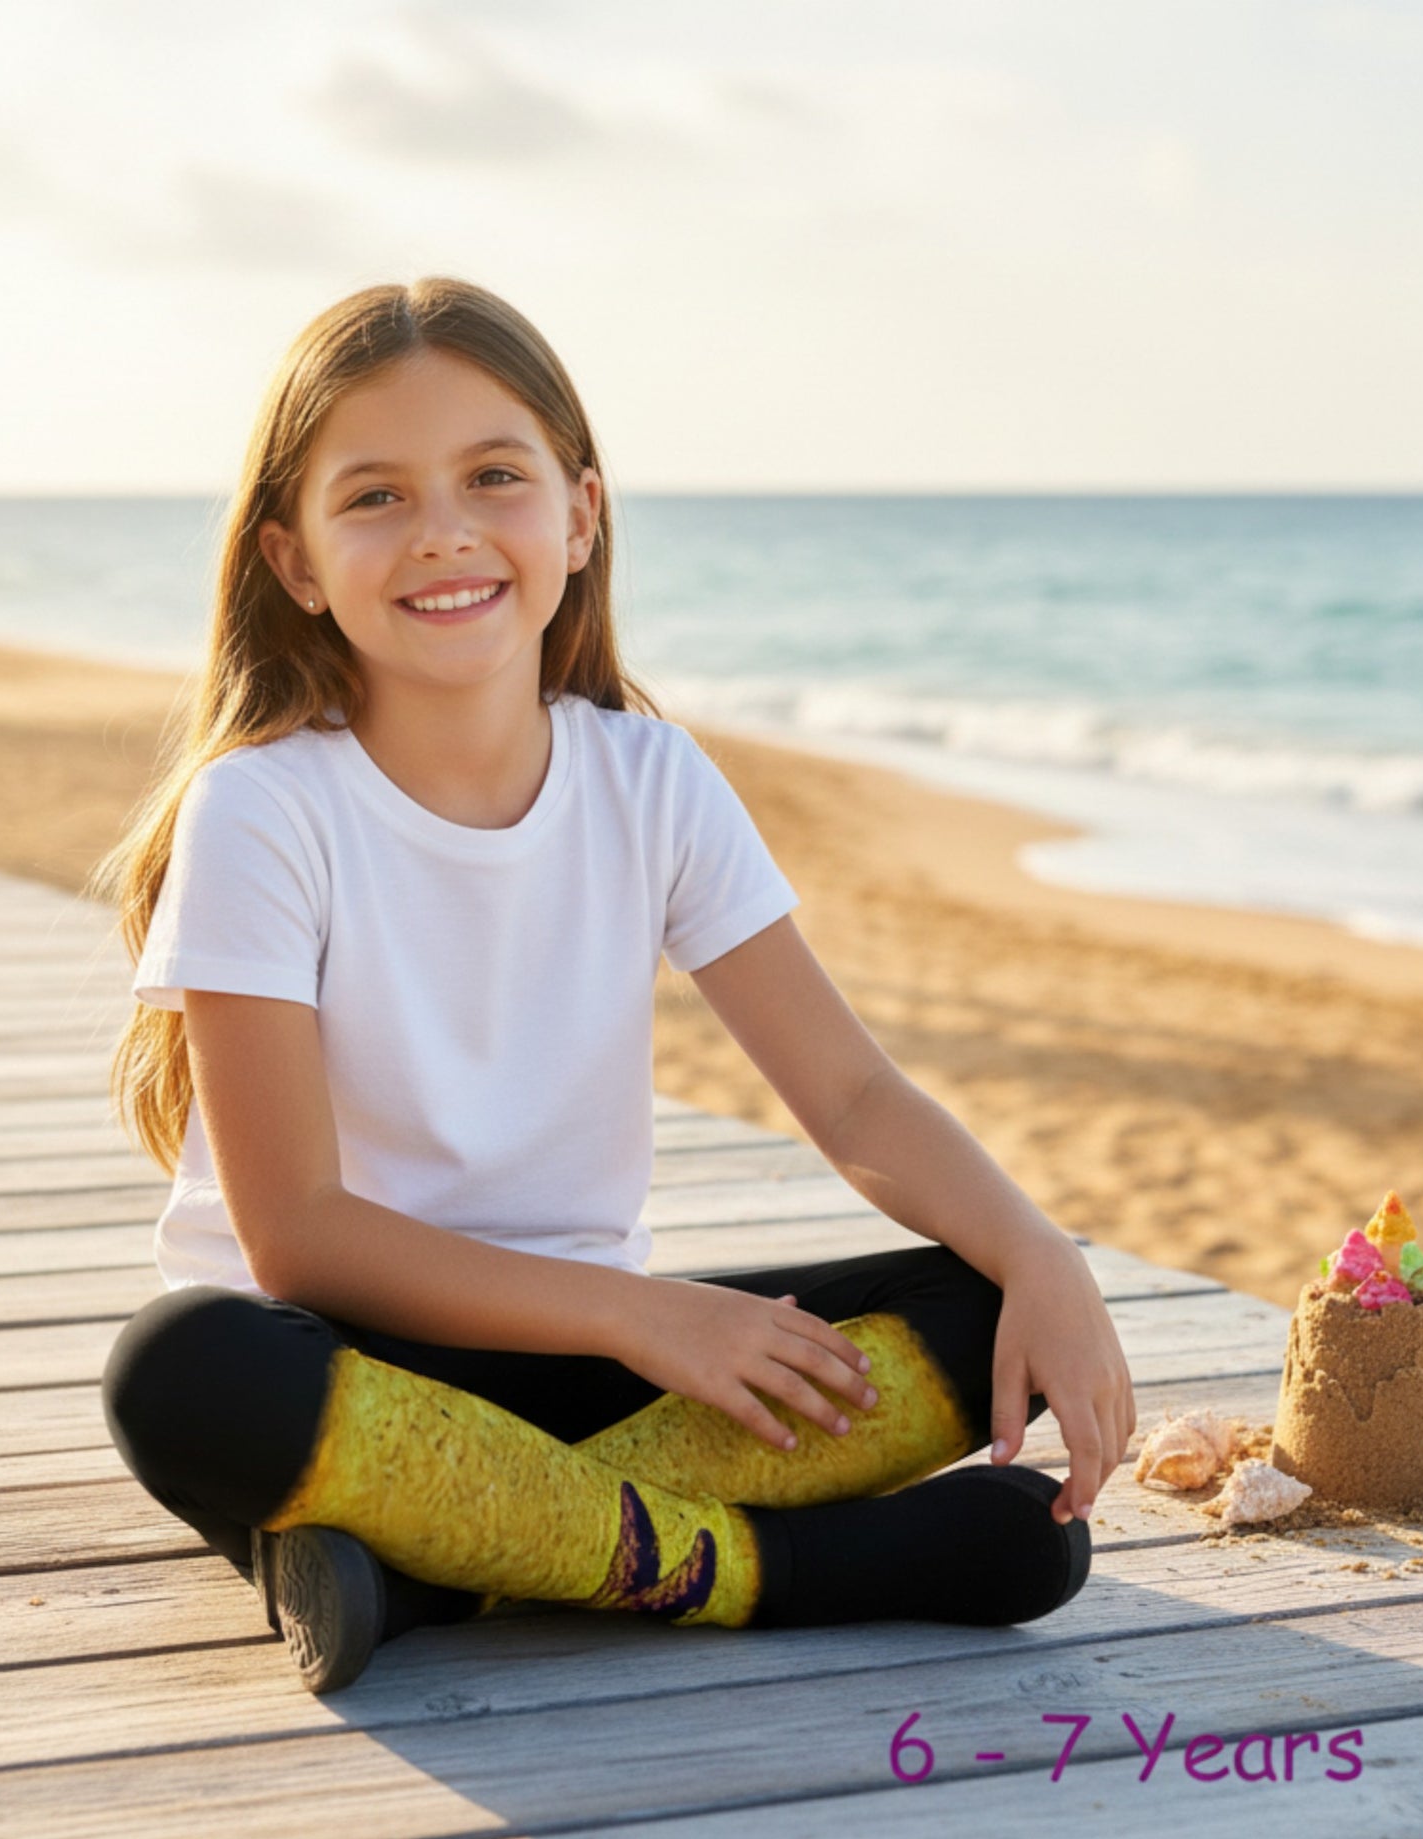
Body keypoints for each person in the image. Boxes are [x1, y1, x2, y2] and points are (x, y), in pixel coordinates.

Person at [90, 276, 1136, 1694]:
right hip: (334, 1364)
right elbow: (298, 1239)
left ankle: (426, 1562)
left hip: (570, 1366)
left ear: (578, 515)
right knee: (180, 1369)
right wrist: (642, 1313)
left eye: (493, 476)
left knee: (966, 1294)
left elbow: (847, 1092)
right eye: (376, 497)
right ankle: (783, 1572)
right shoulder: (263, 811)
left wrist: (1043, 1257)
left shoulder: (649, 781)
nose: (444, 530)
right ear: (294, 559)